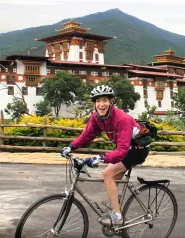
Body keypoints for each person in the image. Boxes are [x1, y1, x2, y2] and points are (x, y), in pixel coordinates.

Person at [60, 85, 149, 226]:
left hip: (137, 150)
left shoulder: (122, 119)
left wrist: (100, 158)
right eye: (98, 101)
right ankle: (116, 208)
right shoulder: (97, 117)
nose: (101, 104)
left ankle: (117, 217)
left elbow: (122, 151)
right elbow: (87, 135)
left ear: (111, 102)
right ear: (94, 103)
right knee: (112, 179)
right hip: (125, 148)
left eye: (105, 100)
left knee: (108, 174)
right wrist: (71, 147)